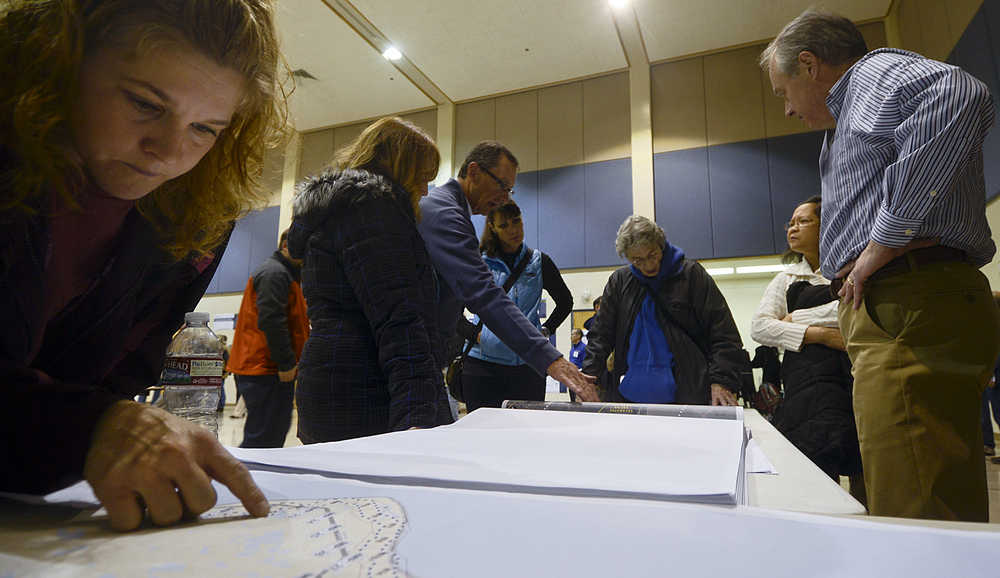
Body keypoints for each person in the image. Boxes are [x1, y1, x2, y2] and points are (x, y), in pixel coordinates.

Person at [1, 0, 286, 530]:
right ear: (59, 60)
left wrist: (94, 425)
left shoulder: (195, 219)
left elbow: (118, 380)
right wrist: (86, 429)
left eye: (205, 129)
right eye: (145, 104)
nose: (167, 153)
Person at [762, 9, 1000, 521]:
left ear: (809, 65)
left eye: (783, 92)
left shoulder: (869, 79)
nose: (786, 110)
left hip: (905, 296)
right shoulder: (854, 110)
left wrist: (883, 240)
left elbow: (958, 95)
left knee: (912, 504)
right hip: (901, 299)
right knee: (926, 488)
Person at [288, 117, 453, 443]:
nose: (424, 190)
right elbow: (399, 316)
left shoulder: (334, 211)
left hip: (329, 383)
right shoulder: (374, 209)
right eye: (421, 177)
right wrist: (416, 415)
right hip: (366, 390)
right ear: (400, 166)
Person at [418, 141, 597, 402]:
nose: (505, 197)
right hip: (458, 359)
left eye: (510, 190)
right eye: (502, 185)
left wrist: (545, 334)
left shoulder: (536, 259)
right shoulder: (447, 214)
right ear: (474, 172)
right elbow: (484, 295)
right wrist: (551, 358)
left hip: (521, 366)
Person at [750, 196, 864, 502]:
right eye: (791, 222)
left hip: (855, 379)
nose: (793, 228)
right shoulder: (785, 279)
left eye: (803, 221)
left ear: (825, 225)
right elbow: (760, 327)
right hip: (807, 389)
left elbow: (853, 309)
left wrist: (796, 318)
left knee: (865, 475)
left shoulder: (850, 266)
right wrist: (820, 336)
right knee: (817, 476)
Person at [582, 216, 747, 405]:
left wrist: (721, 382)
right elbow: (601, 335)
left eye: (652, 255)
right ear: (627, 257)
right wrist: (588, 378)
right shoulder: (620, 282)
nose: (648, 266)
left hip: (688, 395)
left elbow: (723, 333)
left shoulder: (691, 275)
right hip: (630, 397)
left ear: (660, 245)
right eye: (637, 260)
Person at [459, 201, 574, 411]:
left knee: (527, 437)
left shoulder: (539, 262)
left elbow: (566, 302)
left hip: (528, 368)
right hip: (483, 367)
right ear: (492, 227)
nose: (513, 230)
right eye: (504, 225)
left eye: (517, 221)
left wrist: (545, 330)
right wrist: (477, 335)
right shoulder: (478, 262)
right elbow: (452, 312)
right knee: (482, 437)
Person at [226, 230, 309, 448]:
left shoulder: (285, 274)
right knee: (263, 440)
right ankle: (246, 480)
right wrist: (286, 362)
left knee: (270, 434)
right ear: (285, 245)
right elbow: (272, 320)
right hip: (265, 369)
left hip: (267, 369)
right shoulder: (275, 273)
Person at [566, 328, 587, 402]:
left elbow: (585, 363)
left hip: (578, 378)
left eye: (572, 334)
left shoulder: (583, 348)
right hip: (571, 377)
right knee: (572, 399)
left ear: (578, 336)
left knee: (578, 400)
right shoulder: (572, 348)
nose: (571, 336)